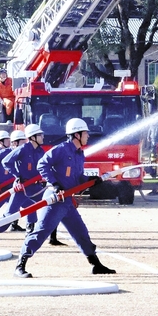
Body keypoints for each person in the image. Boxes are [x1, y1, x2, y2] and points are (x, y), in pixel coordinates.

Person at [14, 118, 116, 278]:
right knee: (41, 232)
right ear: (77, 135)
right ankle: (20, 265)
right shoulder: (61, 149)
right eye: (85, 133)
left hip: (68, 201)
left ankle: (96, 265)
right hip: (55, 199)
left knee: (81, 232)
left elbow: (77, 177)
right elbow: (42, 164)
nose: (88, 135)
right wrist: (55, 184)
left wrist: (91, 180)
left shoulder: (79, 153)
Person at [0, 129, 28, 246]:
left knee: (34, 207)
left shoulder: (28, 152)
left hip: (24, 187)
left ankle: (33, 234)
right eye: (6, 140)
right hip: (2, 187)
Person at [4, 123, 47, 233]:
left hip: (35, 186)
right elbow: (6, 162)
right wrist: (18, 176)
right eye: (40, 135)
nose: (43, 137)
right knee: (10, 213)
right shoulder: (23, 149)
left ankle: (38, 232)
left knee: (51, 203)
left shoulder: (40, 151)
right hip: (22, 187)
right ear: (33, 137)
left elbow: (43, 166)